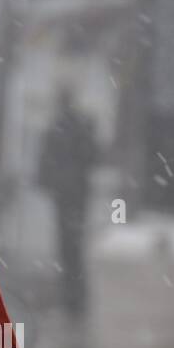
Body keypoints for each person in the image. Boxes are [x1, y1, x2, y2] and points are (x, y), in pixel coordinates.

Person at [38, 89, 97, 333]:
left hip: (64, 195)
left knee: (67, 245)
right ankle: (76, 296)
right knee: (75, 244)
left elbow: (44, 164)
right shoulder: (80, 127)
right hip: (77, 193)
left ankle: (72, 296)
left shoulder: (55, 129)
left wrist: (47, 181)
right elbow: (94, 156)